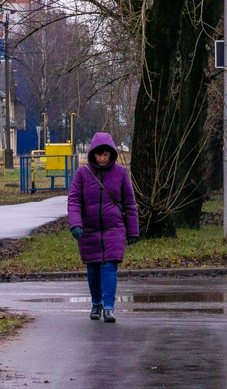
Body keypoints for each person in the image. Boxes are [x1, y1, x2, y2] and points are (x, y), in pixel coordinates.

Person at [67, 132, 139, 323]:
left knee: (109, 267)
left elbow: (130, 203)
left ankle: (108, 307)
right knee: (93, 269)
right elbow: (74, 200)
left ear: (111, 154)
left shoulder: (121, 173)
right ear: (93, 154)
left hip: (113, 228)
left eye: (106, 154)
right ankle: (96, 303)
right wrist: (75, 223)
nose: (102, 158)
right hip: (89, 229)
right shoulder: (82, 174)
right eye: (99, 154)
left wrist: (133, 230)